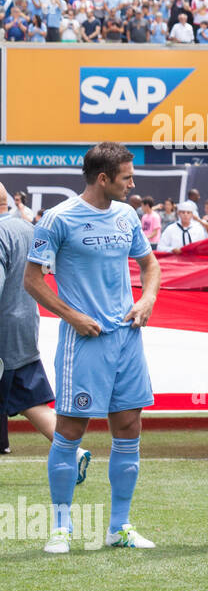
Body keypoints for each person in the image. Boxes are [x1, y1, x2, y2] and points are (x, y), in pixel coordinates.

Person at [24, 143, 160, 554]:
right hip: (84, 342)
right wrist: (73, 316)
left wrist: (147, 299)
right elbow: (32, 280)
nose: (133, 185)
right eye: (126, 178)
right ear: (103, 178)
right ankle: (61, 529)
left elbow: (150, 265)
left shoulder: (127, 215)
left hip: (127, 339)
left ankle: (119, 527)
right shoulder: (58, 219)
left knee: (129, 428)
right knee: (69, 431)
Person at [0, 203, 91, 486]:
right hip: (26, 325)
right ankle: (73, 452)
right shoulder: (28, 228)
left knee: (30, 399)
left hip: (3, 331)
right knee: (31, 400)